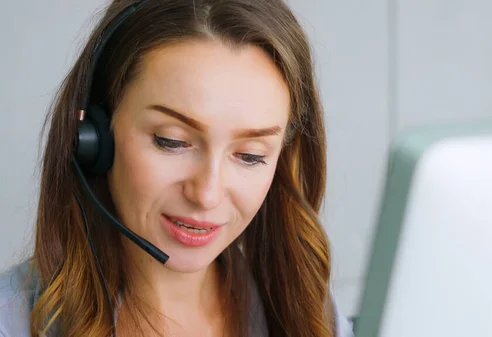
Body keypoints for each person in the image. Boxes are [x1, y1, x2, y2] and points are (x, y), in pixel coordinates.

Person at [0, 0, 355, 336]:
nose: (207, 194)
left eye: (250, 155)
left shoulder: (306, 309)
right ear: (93, 138)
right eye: (171, 141)